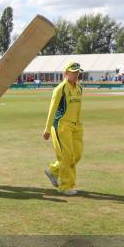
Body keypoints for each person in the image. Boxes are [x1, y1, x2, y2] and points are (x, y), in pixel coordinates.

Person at [42, 61, 84, 196]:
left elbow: (78, 109)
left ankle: (54, 171)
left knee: (76, 155)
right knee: (66, 156)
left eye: (78, 72)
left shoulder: (79, 88)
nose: (76, 75)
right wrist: (47, 129)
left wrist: (79, 124)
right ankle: (65, 186)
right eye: (73, 72)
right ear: (66, 74)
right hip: (61, 126)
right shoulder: (60, 89)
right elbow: (52, 109)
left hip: (76, 126)